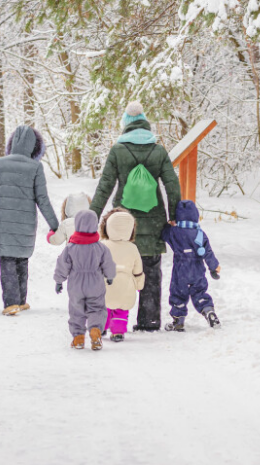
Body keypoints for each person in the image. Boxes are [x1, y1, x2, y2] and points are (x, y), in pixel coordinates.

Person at [90, 102, 181, 332]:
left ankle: (115, 318)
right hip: (154, 220)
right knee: (150, 272)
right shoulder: (158, 150)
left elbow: (105, 187)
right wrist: (174, 215)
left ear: (126, 126)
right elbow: (172, 184)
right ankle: (149, 321)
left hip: (122, 223)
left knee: (119, 269)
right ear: (144, 123)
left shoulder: (118, 150)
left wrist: (92, 217)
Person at [0, 125, 59, 316]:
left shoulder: (0, 164)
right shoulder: (36, 167)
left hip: (3, 224)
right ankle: (21, 300)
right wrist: (54, 225)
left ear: (12, 143)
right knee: (22, 261)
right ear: (34, 147)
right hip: (26, 224)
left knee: (7, 262)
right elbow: (43, 199)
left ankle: (11, 303)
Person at [54, 210, 117, 350]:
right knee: (97, 308)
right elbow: (108, 263)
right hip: (95, 282)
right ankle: (95, 331)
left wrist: (59, 280)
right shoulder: (100, 248)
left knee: (76, 310)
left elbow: (62, 264)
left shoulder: (71, 247)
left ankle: (78, 337)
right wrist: (110, 276)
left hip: (76, 283)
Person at [161, 200, 221, 331]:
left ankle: (178, 321)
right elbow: (208, 252)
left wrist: (168, 224)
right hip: (197, 270)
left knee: (178, 294)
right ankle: (208, 311)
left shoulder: (174, 232)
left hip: (180, 271)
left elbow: (164, 234)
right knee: (199, 293)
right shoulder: (200, 233)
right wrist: (213, 267)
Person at [99, 208, 145, 342]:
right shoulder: (132, 248)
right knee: (121, 310)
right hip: (126, 285)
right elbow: (138, 269)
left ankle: (101, 327)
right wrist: (139, 284)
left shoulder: (102, 246)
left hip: (106, 283)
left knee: (104, 307)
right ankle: (117, 331)